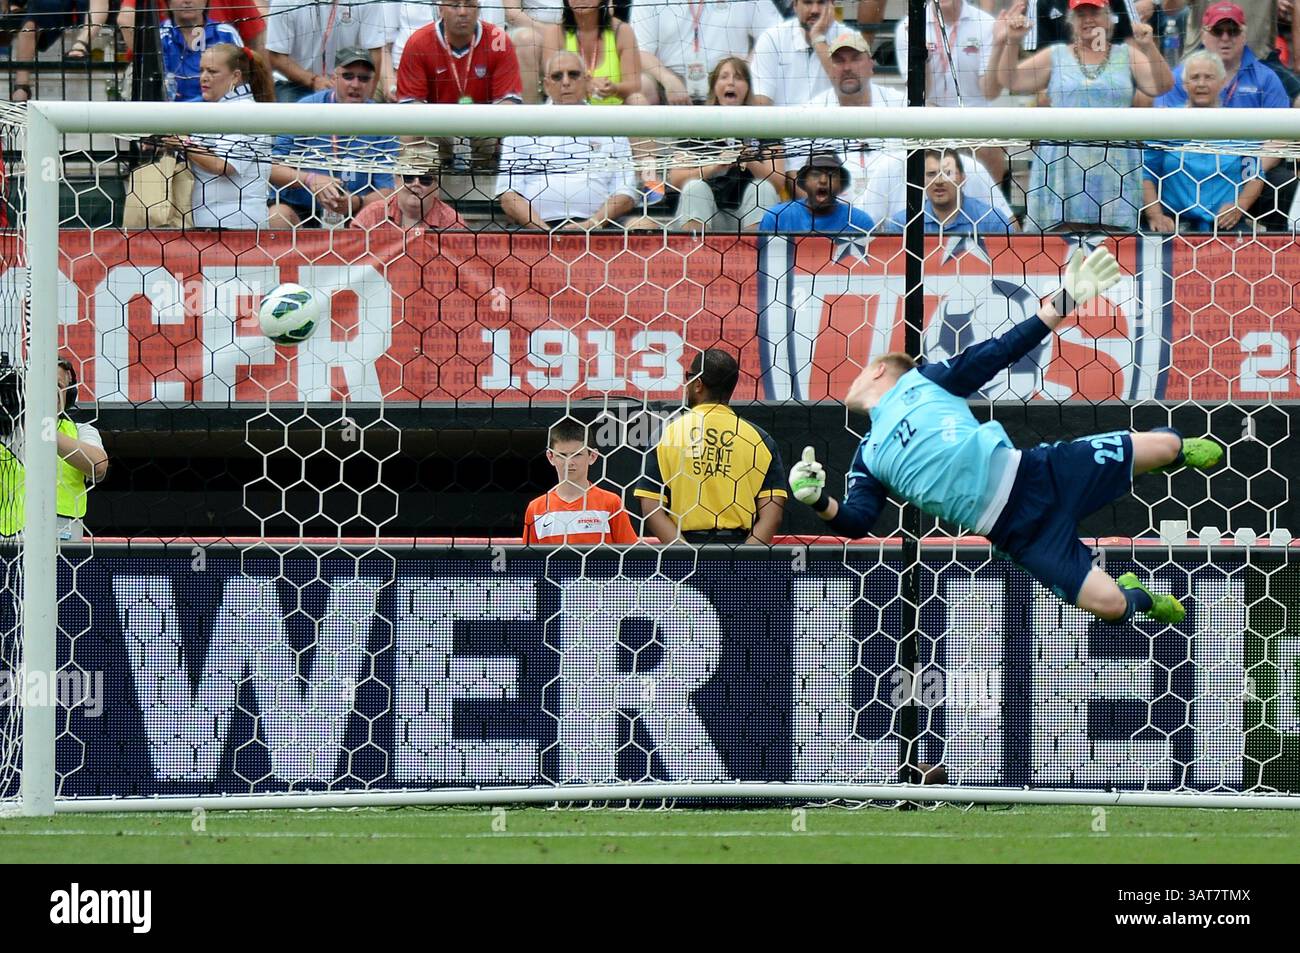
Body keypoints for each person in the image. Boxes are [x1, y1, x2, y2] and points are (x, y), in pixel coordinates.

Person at [788, 247, 1224, 626]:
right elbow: (858, 521)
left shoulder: (927, 381)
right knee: (1111, 605)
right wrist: (816, 501)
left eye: (862, 369)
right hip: (1017, 533)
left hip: (1040, 473)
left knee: (1166, 446)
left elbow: (1001, 350)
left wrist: (1067, 299)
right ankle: (1141, 596)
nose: (851, 380)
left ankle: (1177, 447)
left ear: (879, 369)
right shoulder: (868, 455)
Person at [991, 0, 1173, 231]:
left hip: (1114, 162)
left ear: (1109, 19)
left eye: (1095, 13)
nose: (1088, 19)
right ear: (1071, 22)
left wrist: (1148, 46)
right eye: (1081, 14)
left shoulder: (1127, 55)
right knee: (1060, 240)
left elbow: (1162, 86)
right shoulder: (1056, 55)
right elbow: (1011, 80)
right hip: (1062, 163)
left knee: (1112, 241)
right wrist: (1012, 41)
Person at [635, 348, 787, 545]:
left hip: (684, 550)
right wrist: (744, 559)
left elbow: (651, 509)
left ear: (698, 384)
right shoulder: (761, 440)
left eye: (688, 377)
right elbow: (772, 516)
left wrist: (685, 557)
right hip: (741, 549)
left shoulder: (666, 434)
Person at [495, 52, 639, 229]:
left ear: (587, 81)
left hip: (599, 227)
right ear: (547, 85)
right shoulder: (522, 125)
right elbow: (509, 195)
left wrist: (590, 225)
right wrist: (544, 231)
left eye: (573, 74)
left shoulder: (610, 125)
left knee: (644, 225)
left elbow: (625, 193)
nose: (565, 82)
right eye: (557, 76)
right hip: (534, 229)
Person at [267, 49, 396, 229]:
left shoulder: (382, 121)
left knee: (383, 215)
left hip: (358, 210)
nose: (356, 84)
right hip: (301, 207)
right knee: (277, 217)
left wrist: (357, 202)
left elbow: (388, 190)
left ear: (372, 82)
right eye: (348, 76)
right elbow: (271, 168)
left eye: (363, 78)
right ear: (334, 78)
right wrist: (310, 179)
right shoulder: (305, 109)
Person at [1142, 50, 1263, 232]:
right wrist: (1155, 215)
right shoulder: (1166, 122)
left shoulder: (1240, 124)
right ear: (1184, 84)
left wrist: (1239, 208)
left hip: (1226, 224)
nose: (1201, 83)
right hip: (1174, 222)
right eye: (1195, 77)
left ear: (1223, 83)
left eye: (1209, 77)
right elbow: (1146, 173)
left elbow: (1254, 175)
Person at [161, 44, 275, 230]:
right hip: (210, 224)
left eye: (212, 71)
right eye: (201, 70)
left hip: (237, 227)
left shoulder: (246, 112)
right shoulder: (218, 110)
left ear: (235, 76)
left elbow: (223, 164)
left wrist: (183, 143)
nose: (204, 77)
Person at [896, 0, 1008, 186]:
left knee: (992, 143)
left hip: (974, 118)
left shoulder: (986, 23)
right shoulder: (909, 26)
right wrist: (922, 56)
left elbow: (989, 92)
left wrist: (999, 45)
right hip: (931, 118)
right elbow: (922, 94)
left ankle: (995, 206)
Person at [668, 57, 784, 232]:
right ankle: (696, 255)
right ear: (714, 86)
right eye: (724, 77)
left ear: (747, 88)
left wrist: (749, 159)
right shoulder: (696, 124)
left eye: (738, 77)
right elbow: (676, 179)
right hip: (709, 218)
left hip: (748, 218)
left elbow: (778, 183)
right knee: (694, 187)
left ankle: (756, 255)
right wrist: (713, 168)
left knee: (763, 188)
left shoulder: (764, 124)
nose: (731, 82)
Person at [0, 358, 110, 542]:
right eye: (40, 384)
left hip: (63, 544)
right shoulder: (5, 431)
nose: (49, 391)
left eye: (58, 385)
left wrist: (42, 427)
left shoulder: (81, 430)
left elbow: (98, 466)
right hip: (9, 545)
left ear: (70, 393)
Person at [630, 0, 783, 105]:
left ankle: (754, 148)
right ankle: (648, 153)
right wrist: (668, 79)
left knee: (761, 82)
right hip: (670, 83)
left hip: (728, 82)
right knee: (641, 88)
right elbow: (639, 50)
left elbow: (775, 34)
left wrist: (745, 68)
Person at [523, 418, 638, 545]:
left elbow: (629, 557)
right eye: (562, 455)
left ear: (592, 456)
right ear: (550, 457)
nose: (569, 462)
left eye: (577, 455)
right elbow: (529, 561)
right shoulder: (536, 509)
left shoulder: (611, 503)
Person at [397, 0, 524, 104]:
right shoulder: (418, 43)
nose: (463, 12)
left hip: (486, 128)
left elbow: (508, 102)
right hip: (436, 128)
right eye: (455, 5)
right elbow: (410, 108)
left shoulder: (498, 40)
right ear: (440, 10)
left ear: (478, 10)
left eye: (469, 5)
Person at [266, 0, 386, 103]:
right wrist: (313, 80)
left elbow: (374, 52)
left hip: (352, 80)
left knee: (368, 121)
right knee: (290, 122)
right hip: (295, 84)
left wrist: (366, 97)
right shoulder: (284, 2)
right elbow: (276, 56)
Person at [749, 0, 856, 105]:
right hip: (782, 122)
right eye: (808, 2)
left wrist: (818, 38)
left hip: (831, 121)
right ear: (795, 5)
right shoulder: (771, 39)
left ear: (832, 5)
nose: (815, 10)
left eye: (821, 2)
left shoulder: (849, 38)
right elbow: (761, 103)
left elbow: (853, 96)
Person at [884, 150, 1016, 233]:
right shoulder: (902, 224)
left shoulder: (992, 220)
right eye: (931, 174)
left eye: (948, 173)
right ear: (921, 181)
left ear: (962, 178)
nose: (939, 181)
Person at [541, 0, 644, 105]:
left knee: (637, 99)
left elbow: (634, 85)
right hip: (570, 108)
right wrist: (584, 84)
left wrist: (613, 88)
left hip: (614, 112)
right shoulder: (555, 33)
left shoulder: (621, 31)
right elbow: (551, 83)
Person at [760, 152, 876, 235]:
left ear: (841, 185)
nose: (823, 180)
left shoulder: (860, 222)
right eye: (815, 174)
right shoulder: (777, 218)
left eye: (831, 175)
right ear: (804, 182)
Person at [352, 146, 467, 229]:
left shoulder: (452, 222)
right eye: (408, 176)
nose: (416, 183)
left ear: (437, 187)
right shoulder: (371, 216)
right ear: (396, 181)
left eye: (425, 179)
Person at [159, 0, 244, 102]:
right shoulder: (157, 37)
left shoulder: (226, 34)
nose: (187, 1)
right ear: (168, 2)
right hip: (170, 114)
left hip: (221, 112)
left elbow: (243, 83)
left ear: (206, 2)